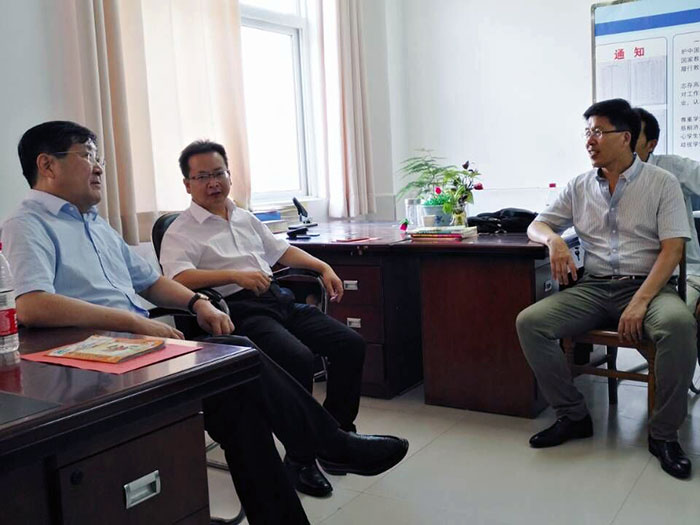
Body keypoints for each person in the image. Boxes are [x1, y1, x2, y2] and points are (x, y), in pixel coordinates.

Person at [1, 121, 409, 524]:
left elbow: (151, 282)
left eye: (98, 158)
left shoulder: (95, 223)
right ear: (47, 165)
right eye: (87, 156)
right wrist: (134, 322)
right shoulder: (27, 224)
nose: (98, 167)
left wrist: (197, 303)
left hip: (134, 349)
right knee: (240, 355)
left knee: (244, 416)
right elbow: (32, 305)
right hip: (92, 359)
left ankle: (312, 471)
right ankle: (331, 443)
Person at [159, 140, 366, 495]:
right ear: (187, 184)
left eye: (219, 173)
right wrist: (234, 275)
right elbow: (176, 278)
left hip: (277, 299)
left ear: (229, 175)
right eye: (203, 176)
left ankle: (337, 435)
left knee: (350, 344)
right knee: (297, 358)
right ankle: (301, 459)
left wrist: (322, 266)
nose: (214, 183)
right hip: (236, 310)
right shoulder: (180, 230)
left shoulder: (244, 216)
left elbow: (281, 251)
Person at [516, 99, 696, 480]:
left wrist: (640, 302)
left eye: (598, 131)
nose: (589, 140)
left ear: (625, 137)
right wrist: (554, 241)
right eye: (587, 132)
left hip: (649, 287)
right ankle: (573, 415)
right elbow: (536, 225)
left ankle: (664, 435)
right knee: (530, 323)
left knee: (680, 326)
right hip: (595, 288)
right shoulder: (579, 186)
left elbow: (673, 250)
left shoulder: (661, 183)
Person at [633, 107, 700, 316]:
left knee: (670, 321)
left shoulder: (672, 168)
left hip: (681, 274)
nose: (624, 140)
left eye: (632, 134)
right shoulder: (605, 177)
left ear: (651, 144)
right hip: (630, 278)